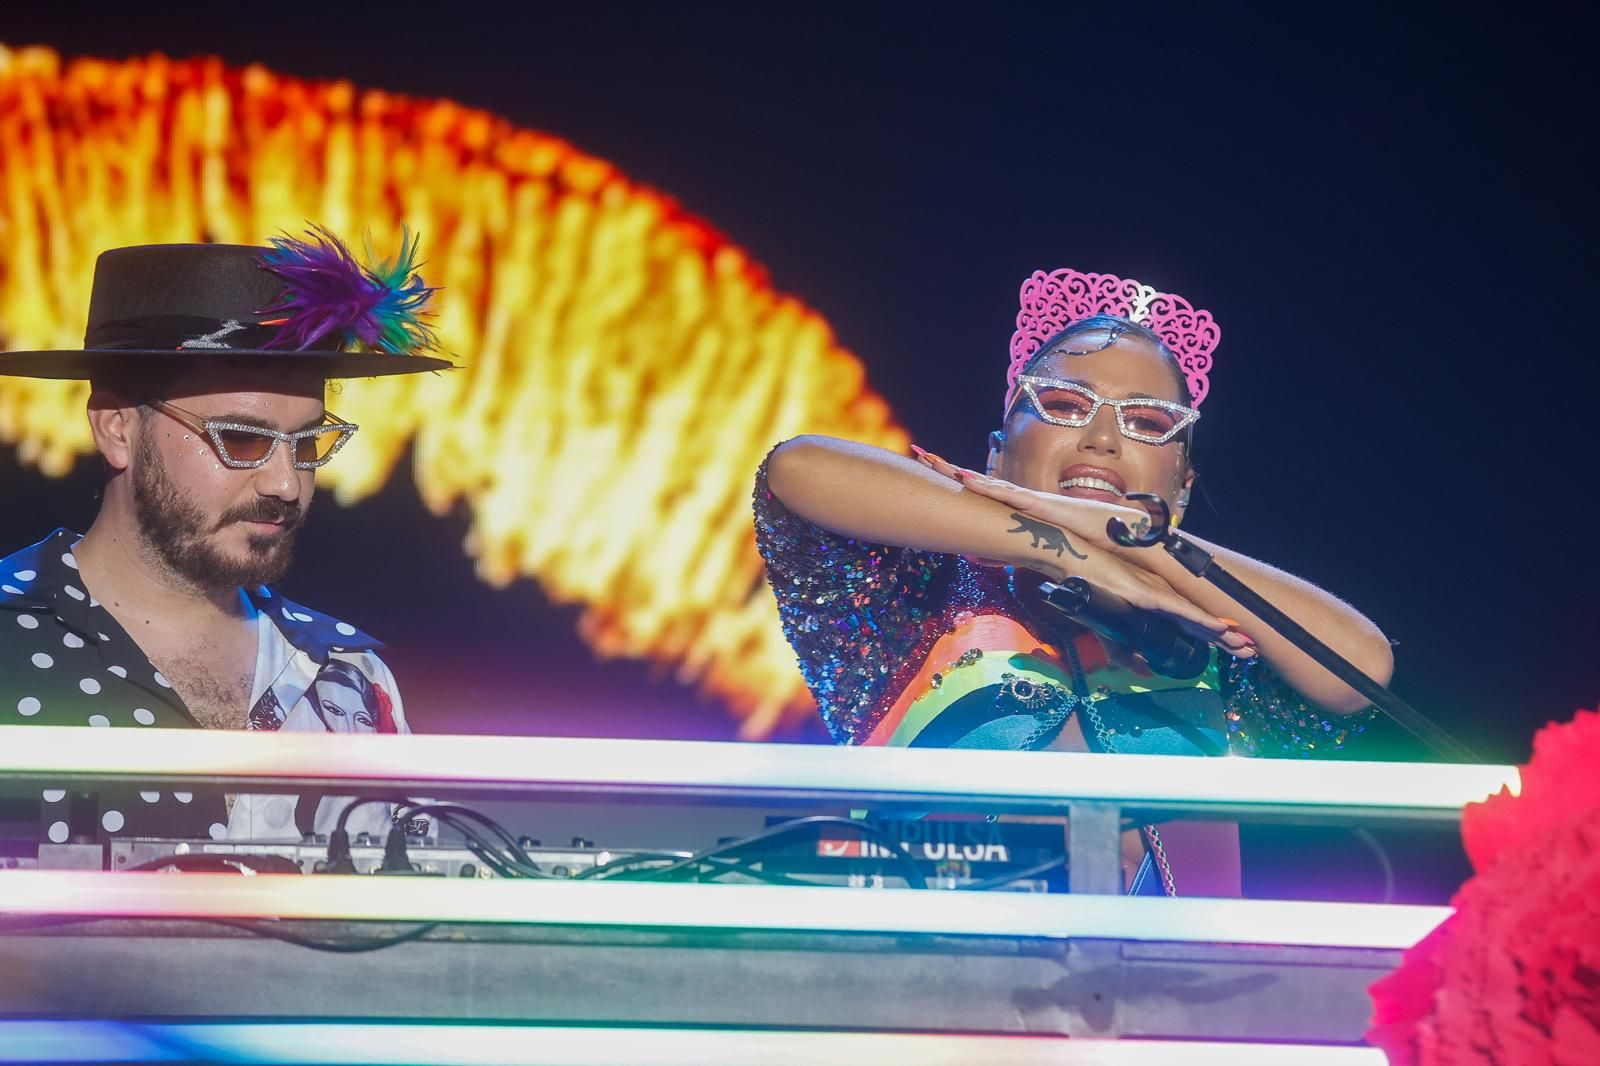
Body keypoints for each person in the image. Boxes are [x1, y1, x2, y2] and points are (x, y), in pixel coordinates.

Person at [755, 268, 1393, 896]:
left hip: (1172, 991)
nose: (1102, 439)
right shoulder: (918, 592)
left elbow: (1360, 670)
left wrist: (1143, 542)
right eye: (1063, 405)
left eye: (1147, 423)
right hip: (930, 982)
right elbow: (797, 469)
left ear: (1182, 488)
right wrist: (1072, 555)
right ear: (997, 455)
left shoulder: (1215, 641)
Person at [0, 227, 450, 845]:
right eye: (241, 438)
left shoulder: (345, 675)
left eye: (308, 444)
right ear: (116, 429)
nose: (286, 484)